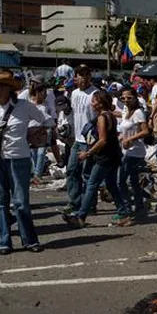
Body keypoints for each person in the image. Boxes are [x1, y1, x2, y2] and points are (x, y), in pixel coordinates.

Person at [0, 71, 46, 254]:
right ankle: (3, 242)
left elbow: (46, 120)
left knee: (20, 202)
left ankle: (30, 240)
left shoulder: (24, 106)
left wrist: (33, 134)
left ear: (9, 89)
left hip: (18, 159)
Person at [64, 92, 131, 227]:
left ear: (100, 103)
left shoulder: (102, 117)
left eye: (94, 101)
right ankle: (123, 212)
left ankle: (81, 216)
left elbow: (102, 141)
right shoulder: (110, 115)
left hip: (105, 157)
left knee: (91, 185)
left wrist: (87, 153)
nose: (92, 103)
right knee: (111, 185)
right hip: (114, 155)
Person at [65, 65, 98, 215]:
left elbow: (98, 117)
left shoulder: (95, 94)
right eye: (80, 75)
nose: (83, 78)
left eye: (86, 75)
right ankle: (74, 202)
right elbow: (74, 115)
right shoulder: (74, 94)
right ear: (75, 77)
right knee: (72, 170)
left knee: (87, 174)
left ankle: (89, 204)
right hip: (77, 139)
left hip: (90, 140)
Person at [118, 87, 149, 221]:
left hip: (135, 152)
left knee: (121, 181)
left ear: (135, 98)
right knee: (134, 181)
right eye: (123, 98)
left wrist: (130, 139)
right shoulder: (126, 111)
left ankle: (127, 207)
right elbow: (124, 131)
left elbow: (145, 131)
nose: (126, 100)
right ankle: (139, 208)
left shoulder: (138, 112)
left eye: (129, 98)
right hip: (126, 150)